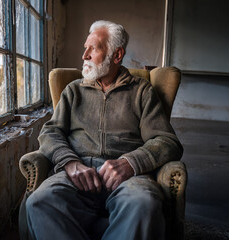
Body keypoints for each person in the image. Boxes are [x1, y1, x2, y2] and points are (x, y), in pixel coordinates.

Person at [25, 20, 183, 240]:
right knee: (40, 202)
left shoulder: (142, 91)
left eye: (94, 49)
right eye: (85, 48)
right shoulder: (73, 90)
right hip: (78, 172)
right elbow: (50, 132)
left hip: (128, 177)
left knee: (143, 204)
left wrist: (130, 163)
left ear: (117, 56)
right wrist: (71, 163)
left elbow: (167, 141)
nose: (85, 56)